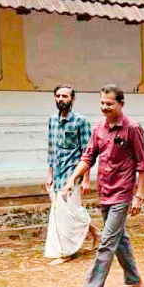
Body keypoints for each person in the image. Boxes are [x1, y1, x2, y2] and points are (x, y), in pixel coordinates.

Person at [62, 85, 144, 287]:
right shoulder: (99, 128)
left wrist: (139, 195)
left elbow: (143, 165)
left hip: (122, 192)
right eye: (102, 103)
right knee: (120, 238)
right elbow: (88, 156)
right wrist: (72, 178)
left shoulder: (132, 128)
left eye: (109, 104)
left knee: (106, 242)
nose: (105, 107)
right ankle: (134, 279)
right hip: (105, 190)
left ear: (121, 104)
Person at [44, 85, 97, 265]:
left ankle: (67, 252)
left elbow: (87, 152)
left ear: (72, 99)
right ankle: (96, 234)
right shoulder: (52, 120)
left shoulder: (81, 122)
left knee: (68, 213)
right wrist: (49, 174)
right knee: (65, 211)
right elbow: (51, 150)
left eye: (64, 96)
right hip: (57, 174)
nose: (61, 99)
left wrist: (86, 179)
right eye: (58, 96)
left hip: (72, 174)